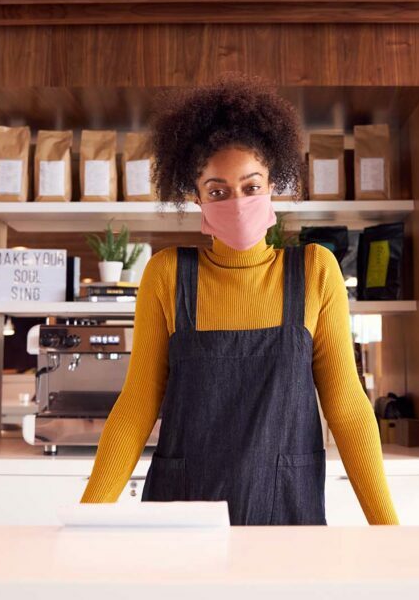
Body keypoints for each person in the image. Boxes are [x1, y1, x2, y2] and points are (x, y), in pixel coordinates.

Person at [81, 73, 398, 525]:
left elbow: (347, 407)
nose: (236, 201)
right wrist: (86, 519)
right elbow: (136, 405)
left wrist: (388, 529)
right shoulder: (167, 273)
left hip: (286, 508)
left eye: (251, 187)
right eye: (218, 191)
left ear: (273, 185)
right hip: (182, 511)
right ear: (196, 197)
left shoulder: (314, 271)